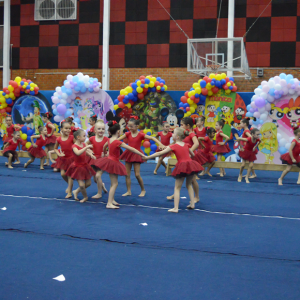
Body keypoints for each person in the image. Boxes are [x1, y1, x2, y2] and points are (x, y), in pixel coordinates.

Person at [144, 127, 203, 213]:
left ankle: (175, 208)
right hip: (190, 164)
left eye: (174, 133)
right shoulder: (186, 145)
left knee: (177, 188)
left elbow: (160, 153)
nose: (172, 134)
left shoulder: (173, 146)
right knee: (189, 185)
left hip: (182, 165)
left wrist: (147, 157)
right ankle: (192, 204)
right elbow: (193, 154)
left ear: (177, 137)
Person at [95, 121, 146, 209]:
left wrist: (104, 153)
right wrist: (142, 155)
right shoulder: (117, 142)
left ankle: (112, 200)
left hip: (109, 160)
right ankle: (109, 203)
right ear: (118, 132)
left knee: (113, 183)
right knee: (115, 184)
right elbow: (132, 149)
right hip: (113, 162)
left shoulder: (109, 139)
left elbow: (104, 146)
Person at [119, 116, 165, 197]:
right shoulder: (127, 133)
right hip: (129, 154)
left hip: (137, 154)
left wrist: (160, 144)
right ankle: (128, 191)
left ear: (137, 126)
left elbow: (152, 138)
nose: (129, 128)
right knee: (127, 174)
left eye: (131, 126)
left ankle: (143, 190)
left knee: (137, 175)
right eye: (128, 126)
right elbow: (118, 139)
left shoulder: (140, 134)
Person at [167, 117, 201, 202]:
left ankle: (196, 196)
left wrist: (190, 152)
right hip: (184, 157)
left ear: (188, 126)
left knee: (192, 180)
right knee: (181, 176)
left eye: (182, 124)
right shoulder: (182, 134)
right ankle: (175, 194)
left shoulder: (191, 134)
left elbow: (196, 143)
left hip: (190, 157)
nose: (180, 126)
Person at [65, 129, 96, 203]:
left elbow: (85, 152)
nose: (85, 138)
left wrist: (91, 154)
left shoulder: (83, 144)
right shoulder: (74, 146)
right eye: (84, 136)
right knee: (81, 185)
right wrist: (86, 148)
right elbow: (78, 153)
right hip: (77, 167)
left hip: (85, 165)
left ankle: (76, 191)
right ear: (78, 137)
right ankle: (85, 197)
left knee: (88, 183)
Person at [86, 120, 109, 199]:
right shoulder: (92, 138)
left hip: (103, 160)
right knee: (96, 179)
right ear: (95, 130)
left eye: (103, 129)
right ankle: (102, 185)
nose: (101, 130)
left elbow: (111, 148)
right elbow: (84, 145)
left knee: (98, 175)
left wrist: (107, 153)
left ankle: (99, 193)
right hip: (94, 160)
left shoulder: (106, 139)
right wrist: (89, 151)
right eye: (99, 129)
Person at [53, 121, 75, 198]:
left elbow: (76, 145)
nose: (68, 130)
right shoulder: (59, 139)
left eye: (69, 128)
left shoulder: (72, 137)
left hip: (71, 159)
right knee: (63, 174)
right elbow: (55, 148)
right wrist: (58, 154)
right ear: (61, 129)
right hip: (63, 159)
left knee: (69, 176)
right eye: (66, 128)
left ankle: (69, 192)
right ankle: (69, 185)